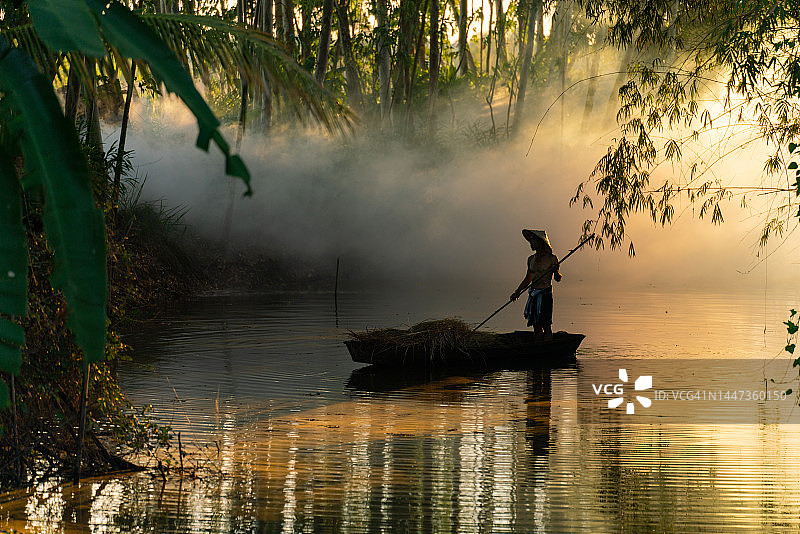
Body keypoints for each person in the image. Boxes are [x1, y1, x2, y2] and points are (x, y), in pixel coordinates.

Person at [510, 229, 562, 341]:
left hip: (545, 294)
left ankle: (548, 346)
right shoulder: (531, 259)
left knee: (546, 324)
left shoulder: (552, 258)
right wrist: (517, 292)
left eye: (533, 241)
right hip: (533, 294)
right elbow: (527, 279)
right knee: (536, 325)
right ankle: (538, 345)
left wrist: (556, 271)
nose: (531, 244)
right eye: (530, 241)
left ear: (540, 242)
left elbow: (558, 279)